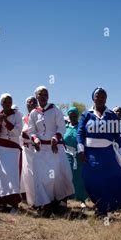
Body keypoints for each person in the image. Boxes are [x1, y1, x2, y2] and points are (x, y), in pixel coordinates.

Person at [77, 87, 121, 217]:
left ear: (106, 99)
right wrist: (81, 150)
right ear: (93, 98)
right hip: (90, 153)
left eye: (103, 96)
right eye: (98, 95)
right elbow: (80, 133)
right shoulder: (87, 114)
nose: (100, 98)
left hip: (107, 154)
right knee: (90, 179)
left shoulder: (111, 115)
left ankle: (103, 208)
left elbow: (118, 135)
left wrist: (120, 152)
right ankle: (100, 205)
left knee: (108, 180)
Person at [27, 86, 74, 216]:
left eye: (45, 94)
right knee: (41, 177)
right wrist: (35, 139)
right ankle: (45, 204)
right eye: (40, 94)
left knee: (56, 176)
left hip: (54, 149)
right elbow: (31, 130)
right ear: (37, 97)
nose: (43, 97)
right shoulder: (33, 113)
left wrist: (55, 138)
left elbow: (61, 128)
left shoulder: (55, 110)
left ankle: (58, 203)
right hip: (40, 150)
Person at [0, 93, 23, 212]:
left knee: (12, 176)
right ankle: (0, 203)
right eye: (5, 102)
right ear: (1, 103)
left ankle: (13, 204)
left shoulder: (17, 114)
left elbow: (17, 132)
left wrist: (6, 122)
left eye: (9, 102)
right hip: (0, 148)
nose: (7, 104)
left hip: (13, 148)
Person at [63, 106, 89, 206]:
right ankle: (64, 199)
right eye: (71, 115)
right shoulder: (65, 127)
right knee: (67, 177)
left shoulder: (81, 127)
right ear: (68, 116)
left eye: (75, 116)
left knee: (80, 178)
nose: (73, 117)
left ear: (77, 116)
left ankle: (82, 200)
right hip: (67, 156)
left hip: (79, 155)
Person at [20, 96, 38, 204]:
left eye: (33, 102)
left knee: (34, 174)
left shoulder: (39, 117)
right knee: (26, 175)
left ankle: (38, 199)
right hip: (25, 150)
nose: (30, 104)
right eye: (28, 102)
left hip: (35, 150)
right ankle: (29, 199)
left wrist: (30, 138)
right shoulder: (24, 119)